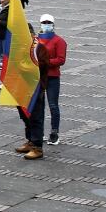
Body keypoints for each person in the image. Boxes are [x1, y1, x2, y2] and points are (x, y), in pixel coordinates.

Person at [33, 14, 67, 147]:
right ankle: (38, 132)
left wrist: (44, 62)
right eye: (44, 22)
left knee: (53, 105)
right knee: (38, 106)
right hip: (39, 76)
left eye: (48, 22)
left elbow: (61, 59)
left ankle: (54, 132)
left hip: (52, 76)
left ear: (53, 24)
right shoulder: (36, 40)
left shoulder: (59, 41)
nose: (46, 24)